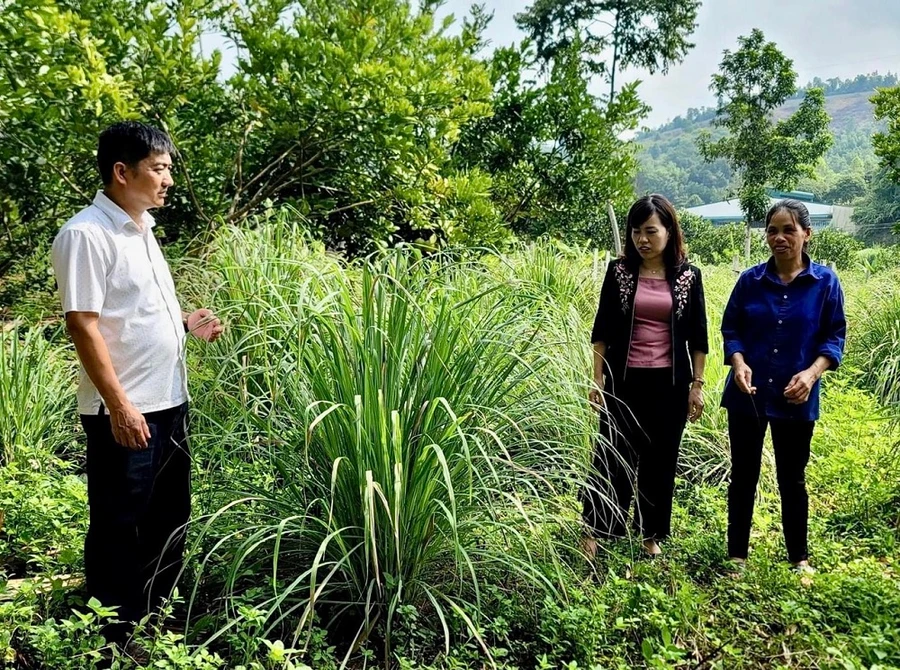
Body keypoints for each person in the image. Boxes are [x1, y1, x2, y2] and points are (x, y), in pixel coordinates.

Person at [50, 121, 224, 638]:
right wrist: (121, 406)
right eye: (159, 169)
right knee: (119, 525)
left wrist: (186, 325)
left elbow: (131, 315)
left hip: (170, 401)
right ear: (122, 172)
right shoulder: (86, 234)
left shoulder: (142, 228)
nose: (168, 179)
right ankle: (109, 635)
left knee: (170, 516)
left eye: (169, 168)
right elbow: (82, 323)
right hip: (125, 411)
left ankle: (151, 619)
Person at [721, 199, 846, 573]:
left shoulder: (825, 283)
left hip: (797, 395)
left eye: (789, 230)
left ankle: (798, 558)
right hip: (749, 394)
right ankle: (737, 556)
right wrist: (739, 362)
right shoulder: (750, 281)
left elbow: (834, 336)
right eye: (773, 230)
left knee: (792, 477)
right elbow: (732, 329)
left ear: (807, 234)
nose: (780, 238)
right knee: (743, 474)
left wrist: (812, 373)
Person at [582, 194, 709, 558]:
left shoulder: (688, 276)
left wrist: (696, 386)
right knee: (611, 455)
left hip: (670, 385)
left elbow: (698, 336)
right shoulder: (619, 271)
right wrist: (596, 379)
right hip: (624, 381)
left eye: (651, 231)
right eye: (636, 231)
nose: (643, 239)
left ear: (669, 231)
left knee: (661, 459)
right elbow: (602, 329)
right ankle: (595, 528)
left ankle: (650, 535)